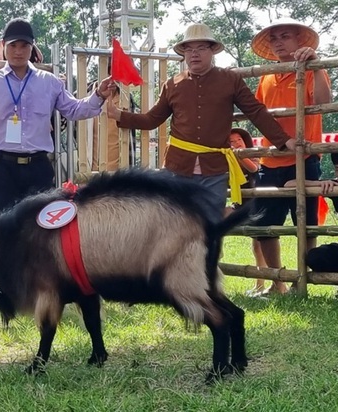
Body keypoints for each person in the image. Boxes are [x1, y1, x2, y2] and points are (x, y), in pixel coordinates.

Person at [106, 23, 296, 219]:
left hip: (214, 169)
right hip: (177, 167)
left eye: (201, 48)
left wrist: (284, 140)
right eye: (189, 49)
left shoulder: (230, 80)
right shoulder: (172, 84)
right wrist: (121, 115)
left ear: (212, 51)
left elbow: (255, 111)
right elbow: (152, 119)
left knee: (211, 225)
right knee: (174, 225)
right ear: (184, 54)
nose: (194, 54)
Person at [0, 18, 115, 213]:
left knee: (41, 229)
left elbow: (74, 109)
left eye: (24, 45)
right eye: (13, 45)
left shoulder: (49, 82)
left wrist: (98, 95)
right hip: (3, 167)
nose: (18, 51)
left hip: (38, 167)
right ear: (4, 46)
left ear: (32, 48)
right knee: (3, 230)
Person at [250, 20, 332, 294]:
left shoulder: (311, 69)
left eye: (285, 36)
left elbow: (323, 102)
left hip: (304, 158)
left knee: (306, 225)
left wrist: (316, 64)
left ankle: (305, 281)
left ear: (300, 41)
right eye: (273, 39)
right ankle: (278, 283)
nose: (278, 42)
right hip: (270, 159)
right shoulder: (266, 75)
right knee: (263, 226)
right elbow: (259, 114)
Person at [226, 128, 267, 295]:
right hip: (239, 204)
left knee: (258, 247)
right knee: (216, 218)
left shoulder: (253, 154)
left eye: (238, 141)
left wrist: (237, 154)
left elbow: (253, 169)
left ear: (245, 141)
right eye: (231, 142)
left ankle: (261, 284)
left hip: (256, 204)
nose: (236, 144)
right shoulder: (226, 159)